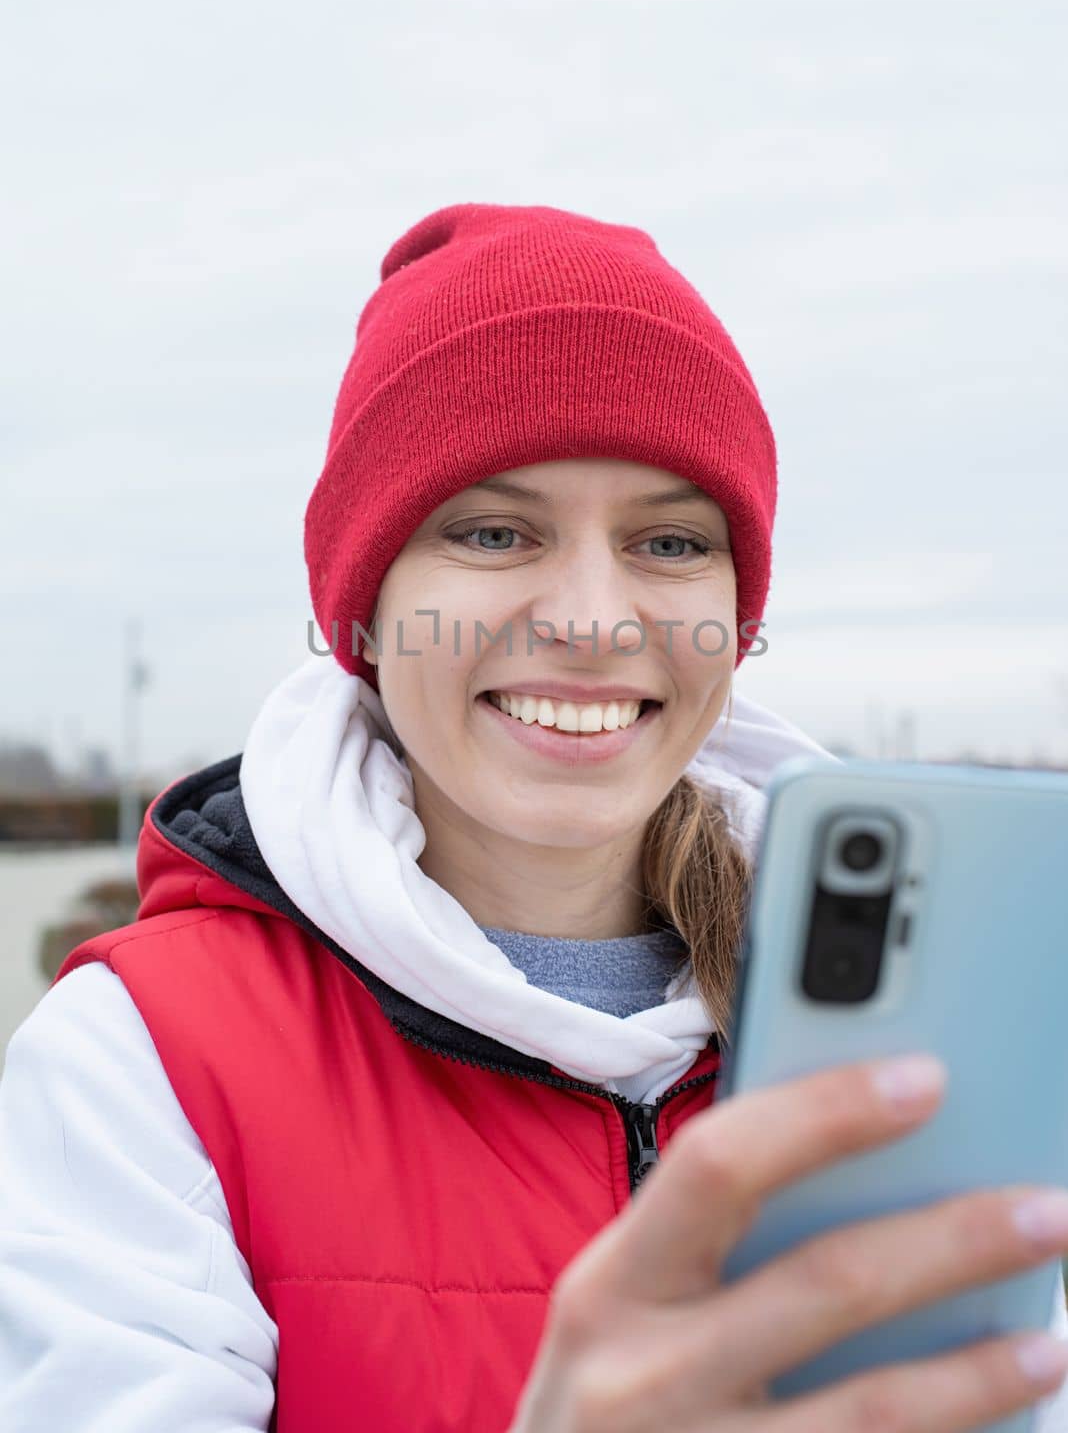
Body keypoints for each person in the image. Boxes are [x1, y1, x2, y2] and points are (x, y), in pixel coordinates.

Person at [1, 202, 1066, 1432]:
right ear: (366, 605)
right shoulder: (146, 1060)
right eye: (495, 531)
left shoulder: (907, 1039)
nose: (595, 620)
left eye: (670, 539)